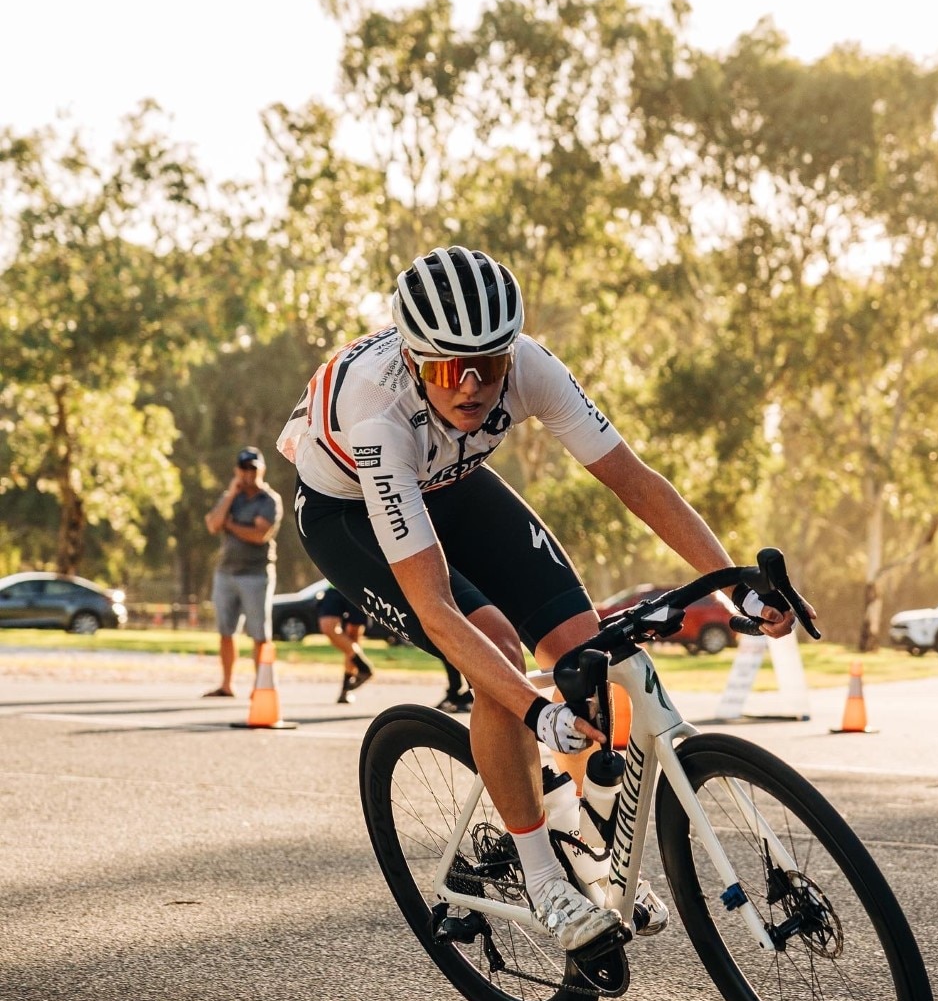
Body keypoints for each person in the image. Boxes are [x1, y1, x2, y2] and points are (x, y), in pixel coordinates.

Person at [277, 246, 811, 951]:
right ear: (413, 363)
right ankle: (544, 879)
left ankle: (587, 838)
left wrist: (732, 578)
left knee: (584, 646)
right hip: (350, 508)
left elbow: (636, 482)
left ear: (510, 354)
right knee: (493, 647)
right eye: (445, 368)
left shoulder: (533, 366)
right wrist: (533, 709)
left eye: (488, 365)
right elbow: (437, 608)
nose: (470, 386)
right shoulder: (379, 414)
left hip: (453, 477)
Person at [203, 447, 283, 697]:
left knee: (260, 634)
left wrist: (231, 524)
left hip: (256, 575)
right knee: (226, 632)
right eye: (244, 468)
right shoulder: (231, 497)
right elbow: (213, 525)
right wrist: (229, 496)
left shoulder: (269, 500)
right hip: (226, 572)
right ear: (237, 471)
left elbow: (259, 535)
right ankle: (227, 685)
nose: (249, 473)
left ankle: (260, 687)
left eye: (253, 468)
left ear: (262, 470)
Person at [317, 585, 374, 703]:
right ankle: (364, 667)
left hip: (361, 585)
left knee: (353, 635)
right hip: (335, 584)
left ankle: (346, 690)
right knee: (328, 627)